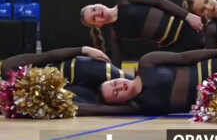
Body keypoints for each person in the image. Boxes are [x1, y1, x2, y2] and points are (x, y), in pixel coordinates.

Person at [72, 49, 217, 116]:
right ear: (120, 102)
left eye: (113, 84)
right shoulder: (139, 106)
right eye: (114, 94)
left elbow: (183, 57)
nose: (117, 87)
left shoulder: (147, 62)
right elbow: (93, 109)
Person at [80, 0, 204, 66]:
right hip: (175, 46)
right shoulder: (115, 34)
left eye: (94, 9)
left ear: (98, 4)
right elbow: (117, 62)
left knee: (210, 41)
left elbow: (160, 2)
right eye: (94, 18)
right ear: (98, 25)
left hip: (184, 25)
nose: (97, 13)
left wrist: (188, 16)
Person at [0, 46, 128, 98]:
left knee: (123, 79)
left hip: (76, 67)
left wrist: (83, 50)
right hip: (75, 90)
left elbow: (47, 56)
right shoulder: (9, 102)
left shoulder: (8, 67)